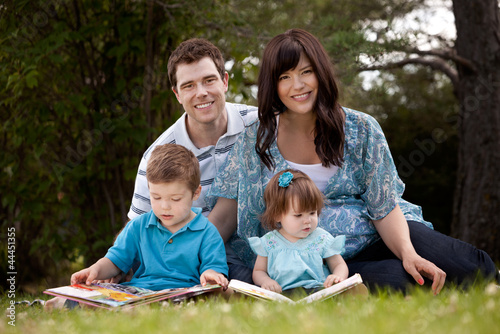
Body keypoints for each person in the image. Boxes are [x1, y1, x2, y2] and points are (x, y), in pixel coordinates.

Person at [206, 28, 498, 294]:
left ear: (320, 72)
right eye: (284, 77)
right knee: (404, 281)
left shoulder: (362, 128)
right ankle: (336, 284)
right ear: (273, 84)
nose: (297, 85)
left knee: (473, 267)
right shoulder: (255, 140)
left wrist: (408, 253)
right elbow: (225, 214)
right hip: (316, 258)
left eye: (306, 72)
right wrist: (192, 258)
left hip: (378, 233)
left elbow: (383, 207)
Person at [128, 38, 258, 282]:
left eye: (209, 80)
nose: (201, 93)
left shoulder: (258, 126)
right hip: (188, 264)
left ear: (225, 82)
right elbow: (136, 231)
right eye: (188, 85)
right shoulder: (158, 156)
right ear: (177, 95)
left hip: (261, 257)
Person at [46, 144, 228, 310]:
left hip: (182, 294)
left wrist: (211, 274)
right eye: (156, 197)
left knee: (223, 295)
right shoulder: (138, 226)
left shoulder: (207, 232)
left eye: (175, 199)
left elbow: (213, 268)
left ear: (195, 192)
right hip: (138, 290)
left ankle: (113, 309)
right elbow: (115, 260)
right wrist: (94, 270)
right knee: (104, 294)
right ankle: (67, 302)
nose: (165, 206)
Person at [249, 169, 348, 293]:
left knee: (334, 296)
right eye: (298, 215)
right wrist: (266, 281)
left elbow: (339, 265)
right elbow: (259, 271)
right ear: (277, 215)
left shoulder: (321, 238)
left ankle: (351, 293)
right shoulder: (269, 242)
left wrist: (337, 277)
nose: (307, 220)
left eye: (312, 212)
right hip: (282, 292)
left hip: (317, 289)